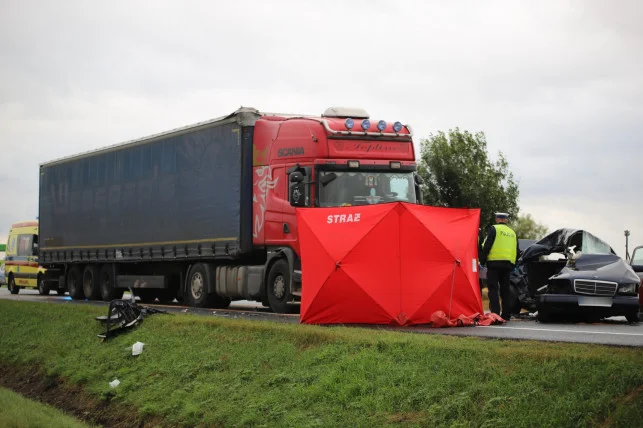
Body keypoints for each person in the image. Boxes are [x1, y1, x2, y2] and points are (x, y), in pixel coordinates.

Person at [480, 212, 520, 321]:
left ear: (497, 219)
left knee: (493, 289)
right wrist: (514, 264)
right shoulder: (512, 233)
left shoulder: (494, 229)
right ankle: (506, 315)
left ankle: (496, 314)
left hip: (494, 264)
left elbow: (487, 245)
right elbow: (517, 250)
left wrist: (482, 261)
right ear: (506, 220)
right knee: (505, 290)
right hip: (507, 266)